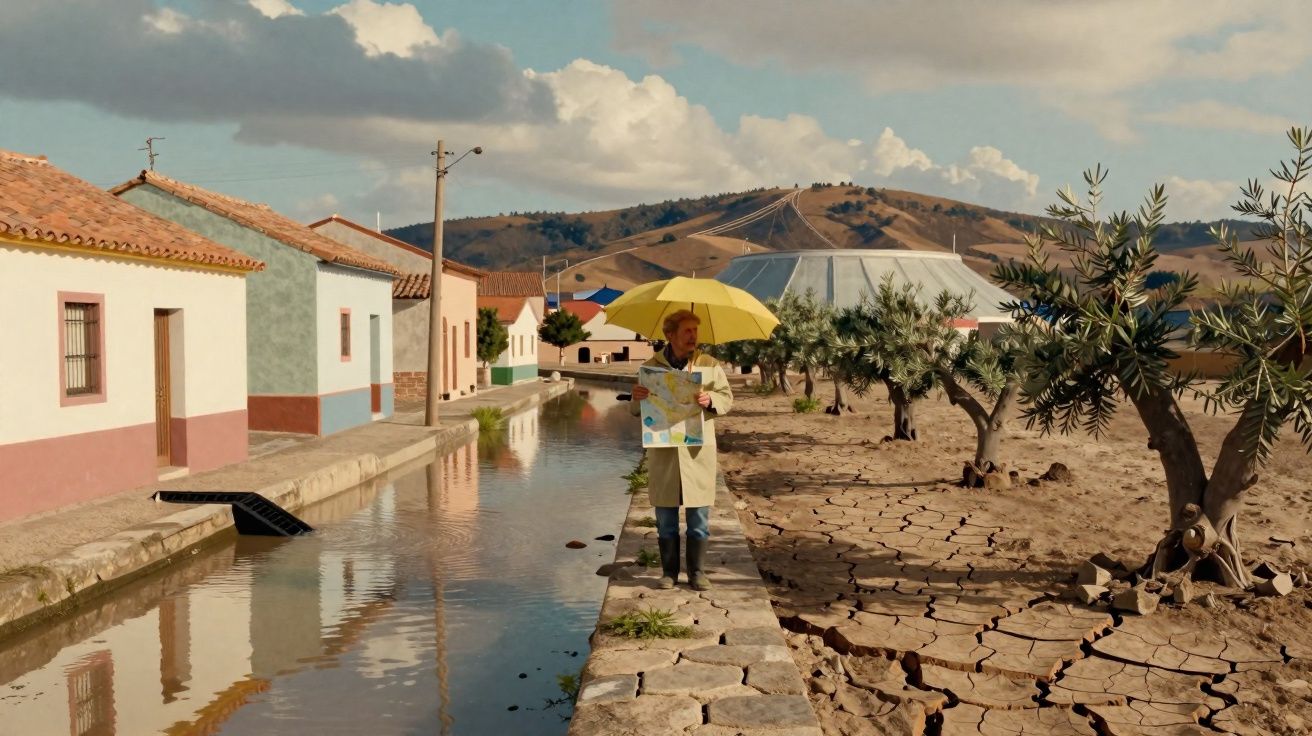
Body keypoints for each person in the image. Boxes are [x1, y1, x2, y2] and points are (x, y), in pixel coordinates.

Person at [630, 310, 733, 590]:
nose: (692, 336)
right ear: (670, 335)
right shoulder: (651, 368)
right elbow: (637, 409)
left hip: (696, 452)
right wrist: (636, 397)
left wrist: (710, 398)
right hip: (663, 453)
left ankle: (698, 572)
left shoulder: (709, 365)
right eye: (687, 331)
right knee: (666, 520)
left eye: (694, 331)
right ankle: (669, 574)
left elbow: (726, 397)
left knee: (699, 519)